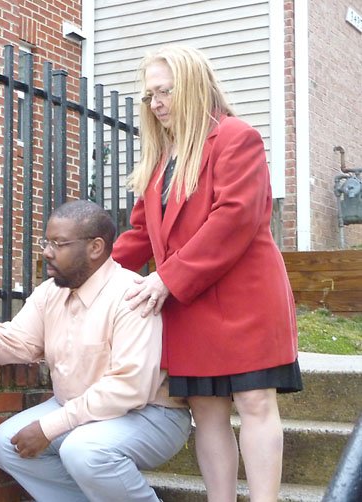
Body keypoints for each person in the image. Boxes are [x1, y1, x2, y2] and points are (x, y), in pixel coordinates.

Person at [0, 199, 191, 502]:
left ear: (96, 248)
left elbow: (129, 387)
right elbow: (14, 343)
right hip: (79, 406)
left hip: (149, 414)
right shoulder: (50, 292)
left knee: (84, 450)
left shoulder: (131, 294)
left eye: (59, 244)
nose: (47, 252)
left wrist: (50, 427)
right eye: (46, 242)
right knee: (7, 444)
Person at [111, 45, 303, 502]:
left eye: (165, 91)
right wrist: (92, 274)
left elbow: (234, 219)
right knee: (207, 410)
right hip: (189, 302)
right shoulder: (162, 158)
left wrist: (165, 278)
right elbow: (141, 232)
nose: (155, 103)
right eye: (149, 95)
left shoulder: (237, 136)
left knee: (255, 402)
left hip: (243, 299)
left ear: (194, 86)